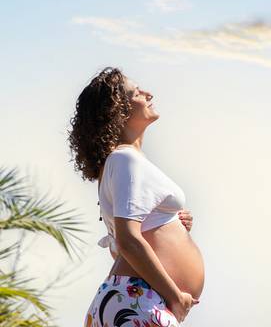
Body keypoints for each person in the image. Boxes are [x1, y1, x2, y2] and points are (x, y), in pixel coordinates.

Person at [68, 67, 204, 326]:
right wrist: (175, 296)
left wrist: (172, 226)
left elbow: (119, 249)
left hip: (132, 299)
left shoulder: (121, 161)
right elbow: (128, 241)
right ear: (117, 110)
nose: (148, 93)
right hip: (137, 300)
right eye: (137, 92)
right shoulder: (125, 159)